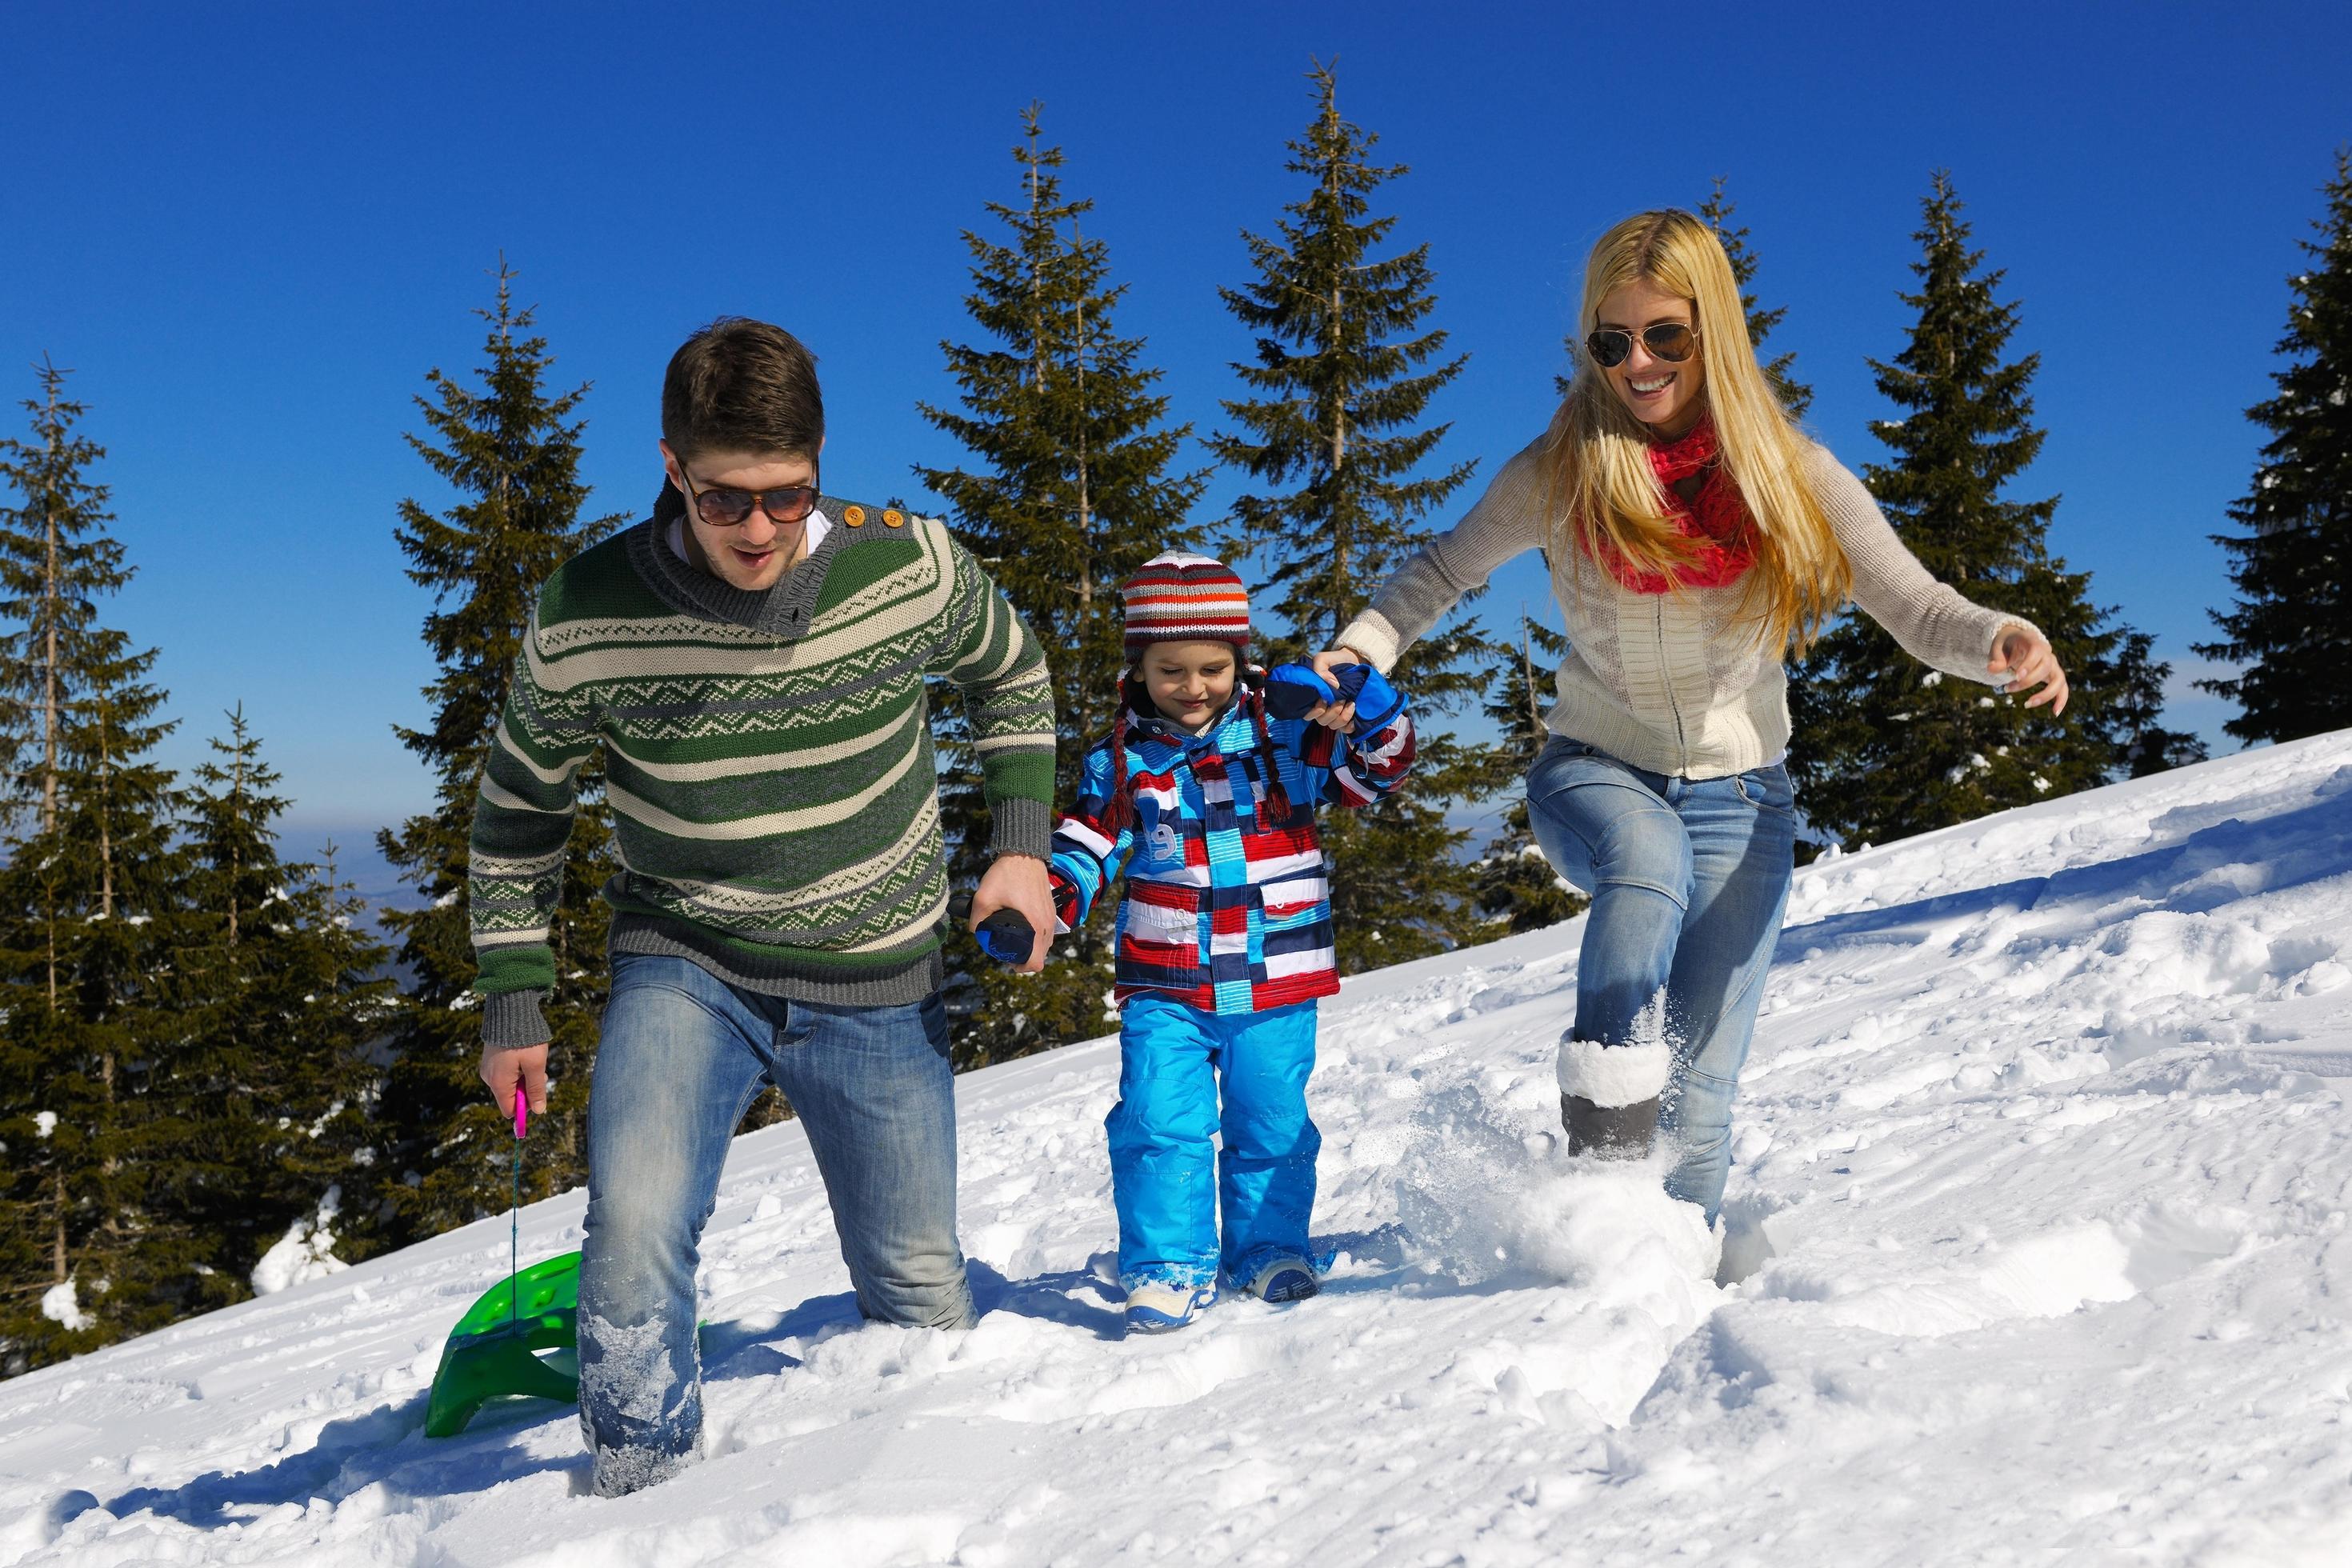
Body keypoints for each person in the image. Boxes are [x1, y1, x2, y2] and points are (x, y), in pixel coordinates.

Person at [1313, 210, 2069, 1226]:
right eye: (1612, 341)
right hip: (1595, 769)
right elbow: (1443, 570)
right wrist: (1360, 649)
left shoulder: (1790, 476)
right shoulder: (1561, 471)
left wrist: (1999, 640)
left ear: (1714, 330)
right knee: (1646, 856)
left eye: (1666, 336)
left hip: (1743, 795)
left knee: (1703, 1094)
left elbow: (1915, 604)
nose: (1638, 363)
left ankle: (1670, 1279)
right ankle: (1596, 1170)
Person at [466, 318, 1058, 1497]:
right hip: (689, 959)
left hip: (882, 978)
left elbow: (1012, 671)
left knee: (921, 1309)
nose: (757, 531)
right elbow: (518, 813)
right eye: (726, 498)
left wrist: (1018, 849)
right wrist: (512, 1001)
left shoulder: (912, 567)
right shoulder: (586, 610)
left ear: (820, 465)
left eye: (787, 499)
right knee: (631, 1241)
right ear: (673, 466)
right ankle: (634, 1500)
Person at [1046, 553, 1417, 1332]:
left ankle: (1268, 1247)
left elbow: (1376, 774)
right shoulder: (1120, 760)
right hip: (1167, 985)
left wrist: (1368, 707)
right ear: (1138, 667)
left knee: (1271, 1119)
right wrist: (1049, 900)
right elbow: (1088, 841)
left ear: (1239, 660)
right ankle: (1168, 1266)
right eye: (1169, 668)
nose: (1192, 685)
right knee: (1156, 1117)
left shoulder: (1289, 739)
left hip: (1276, 978)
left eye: (1212, 666)